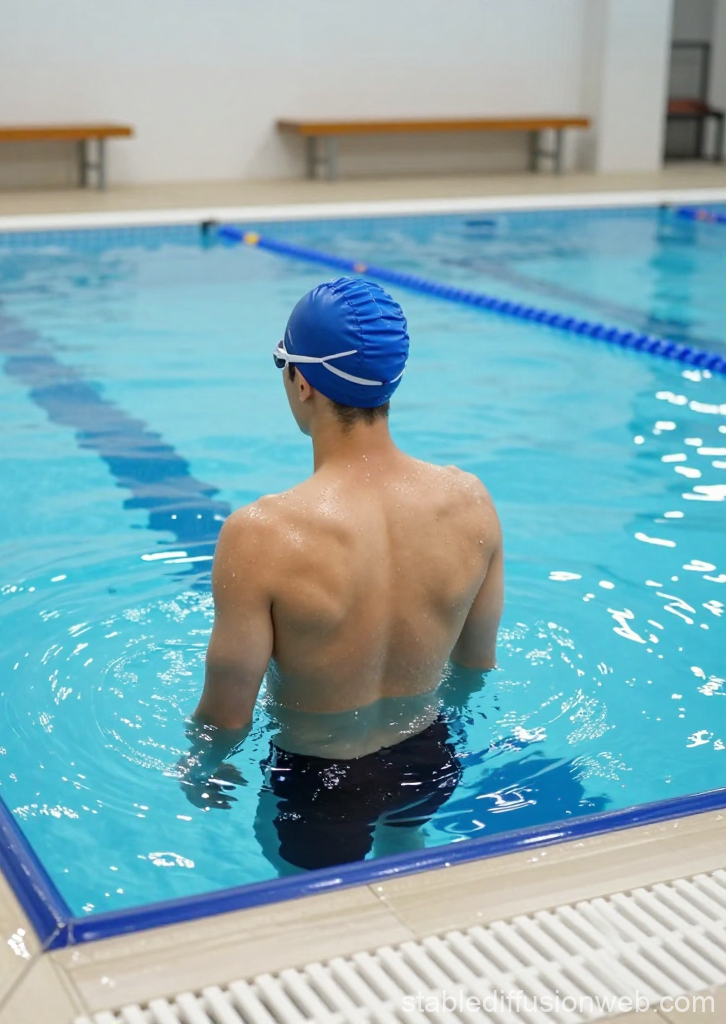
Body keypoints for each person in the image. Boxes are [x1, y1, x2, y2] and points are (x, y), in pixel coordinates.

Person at [179, 277, 503, 871]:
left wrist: (196, 771)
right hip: (428, 761)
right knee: (407, 861)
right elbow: (475, 667)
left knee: (314, 923)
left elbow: (227, 714)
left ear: (301, 381)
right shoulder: (470, 502)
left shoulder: (262, 535)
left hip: (317, 788)